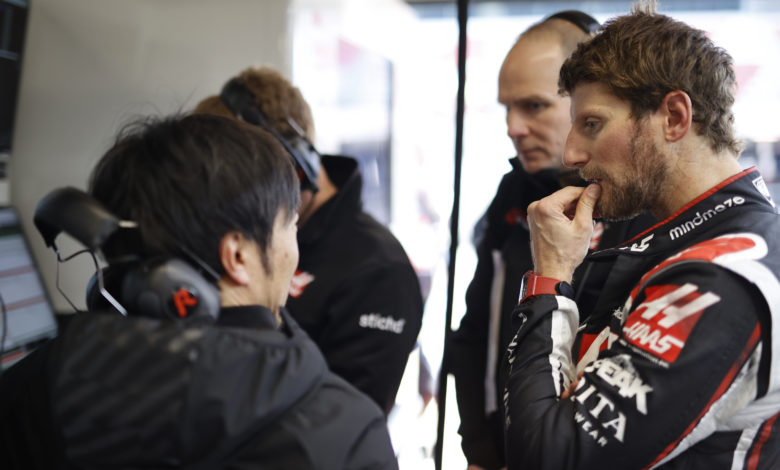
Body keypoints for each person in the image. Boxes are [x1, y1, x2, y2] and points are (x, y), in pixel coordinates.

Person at [0, 114, 398, 469]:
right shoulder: (348, 432)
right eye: (290, 225)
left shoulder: (32, 391)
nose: (296, 249)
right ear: (237, 255)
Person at [504, 2, 780, 469]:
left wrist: (550, 279)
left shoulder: (722, 274)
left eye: (592, 124)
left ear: (674, 117)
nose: (571, 153)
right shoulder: (690, 244)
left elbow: (548, 458)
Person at [449, 11, 654, 470]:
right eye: (506, 108)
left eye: (534, 106)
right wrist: (479, 452)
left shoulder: (639, 207)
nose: (513, 127)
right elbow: (473, 337)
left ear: (586, 102)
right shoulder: (514, 196)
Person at [193, 67, 423, 415]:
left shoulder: (379, 269)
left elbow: (346, 422)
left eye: (237, 180)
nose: (226, 197)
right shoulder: (237, 234)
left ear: (295, 166)